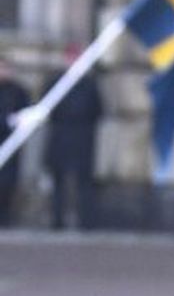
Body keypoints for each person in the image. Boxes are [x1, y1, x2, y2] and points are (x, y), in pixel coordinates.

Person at [43, 51, 101, 230]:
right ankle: (57, 220)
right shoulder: (55, 83)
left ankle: (86, 221)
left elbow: (98, 110)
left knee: (84, 184)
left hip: (83, 139)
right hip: (60, 137)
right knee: (58, 183)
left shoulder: (89, 85)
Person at [0, 59, 31, 226]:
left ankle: (5, 219)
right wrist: (7, 121)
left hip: (12, 143)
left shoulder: (18, 91)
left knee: (8, 184)